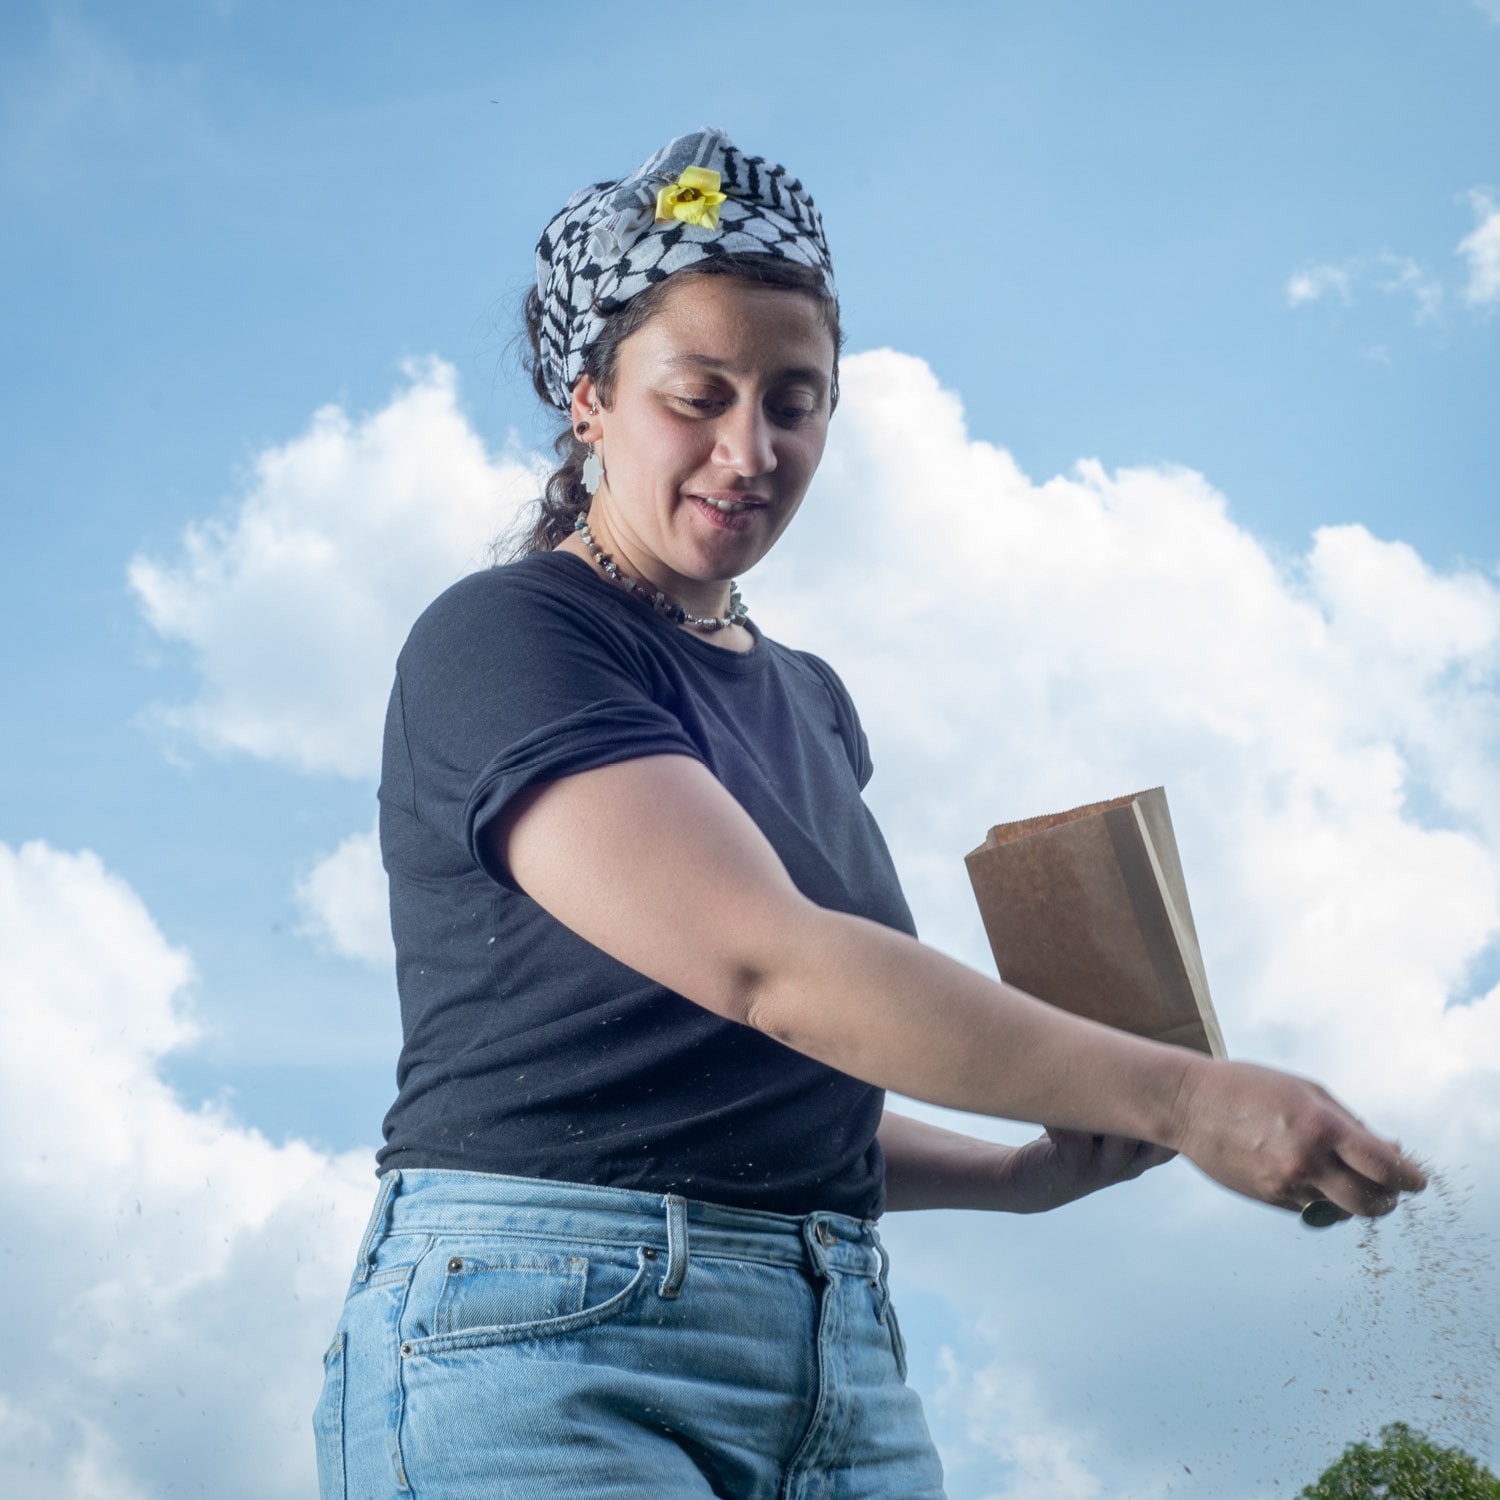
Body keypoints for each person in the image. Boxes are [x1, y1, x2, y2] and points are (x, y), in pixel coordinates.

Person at [312, 127, 1425, 1500]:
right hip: (546, 1338)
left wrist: (1019, 1176)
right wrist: (1187, 1097)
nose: (750, 449)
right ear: (591, 398)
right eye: (698, 395)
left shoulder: (811, 699)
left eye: (795, 400)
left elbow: (757, 1090)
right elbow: (767, 965)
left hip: (835, 1347)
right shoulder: (510, 639)